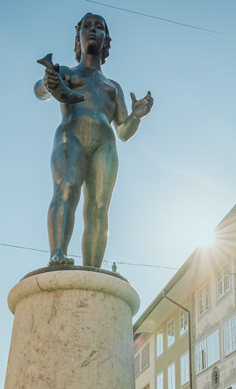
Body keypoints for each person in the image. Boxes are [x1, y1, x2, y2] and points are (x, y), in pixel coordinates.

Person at [36, 12, 154, 268]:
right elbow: (40, 91)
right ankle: (58, 254)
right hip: (71, 139)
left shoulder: (113, 87)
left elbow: (123, 132)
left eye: (98, 27)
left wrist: (137, 116)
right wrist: (48, 83)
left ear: (105, 40)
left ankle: (93, 270)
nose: (92, 30)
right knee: (66, 189)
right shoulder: (65, 73)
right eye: (86, 26)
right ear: (78, 38)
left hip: (105, 146)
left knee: (99, 208)